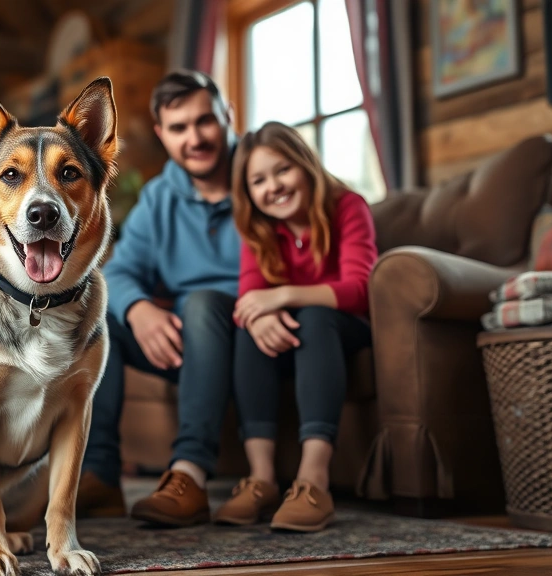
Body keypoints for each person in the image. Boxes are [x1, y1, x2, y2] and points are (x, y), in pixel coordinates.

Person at [76, 70, 242, 527]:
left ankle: (189, 474)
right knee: (99, 316)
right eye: (179, 127)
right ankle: (99, 475)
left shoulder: (265, 175)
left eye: (205, 121)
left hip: (251, 331)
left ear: (228, 116)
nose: (195, 138)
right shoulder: (159, 197)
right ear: (161, 134)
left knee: (202, 303)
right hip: (193, 341)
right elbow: (117, 271)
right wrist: (139, 308)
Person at [213, 121, 377, 532]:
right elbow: (249, 299)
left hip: (343, 329)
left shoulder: (348, 206)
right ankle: (262, 478)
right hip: (292, 337)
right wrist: (261, 314)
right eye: (259, 181)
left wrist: (282, 296)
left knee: (314, 315)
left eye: (283, 170)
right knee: (252, 328)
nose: (274, 187)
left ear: (305, 165)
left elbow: (360, 289)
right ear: (248, 191)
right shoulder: (258, 227)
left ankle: (313, 479)